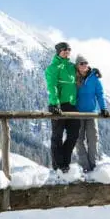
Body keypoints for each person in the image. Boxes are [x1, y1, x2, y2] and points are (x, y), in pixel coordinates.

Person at [45, 41, 81, 172]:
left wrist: (94, 72)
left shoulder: (72, 67)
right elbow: (52, 86)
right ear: (58, 51)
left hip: (72, 105)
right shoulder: (53, 68)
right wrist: (54, 103)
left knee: (73, 135)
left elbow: (84, 70)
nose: (67, 51)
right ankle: (58, 166)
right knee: (57, 136)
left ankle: (65, 162)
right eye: (64, 49)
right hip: (58, 106)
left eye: (69, 49)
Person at [74, 54, 108, 173]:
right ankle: (85, 166)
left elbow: (100, 94)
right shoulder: (73, 77)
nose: (84, 65)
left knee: (93, 139)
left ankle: (93, 166)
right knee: (78, 139)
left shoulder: (94, 78)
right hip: (77, 114)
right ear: (77, 66)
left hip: (91, 113)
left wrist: (103, 108)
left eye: (86, 63)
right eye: (81, 63)